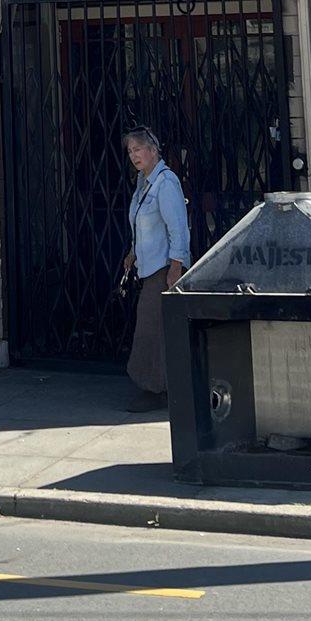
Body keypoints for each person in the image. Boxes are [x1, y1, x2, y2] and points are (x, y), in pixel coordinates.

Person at [119, 127, 190, 412]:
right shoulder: (143, 183)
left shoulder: (166, 182)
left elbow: (178, 227)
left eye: (138, 149)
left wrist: (176, 266)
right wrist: (133, 252)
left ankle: (155, 388)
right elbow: (142, 224)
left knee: (151, 327)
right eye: (130, 151)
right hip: (148, 267)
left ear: (152, 150)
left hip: (163, 268)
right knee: (153, 327)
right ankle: (157, 385)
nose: (134, 155)